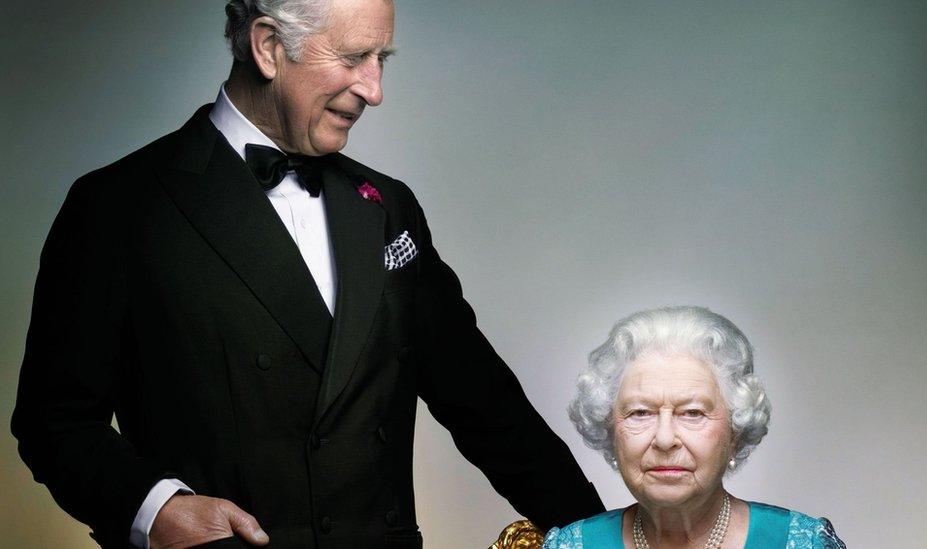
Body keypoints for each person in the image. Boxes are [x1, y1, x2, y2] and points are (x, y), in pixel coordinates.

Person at [10, 1, 604, 547]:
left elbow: (484, 403)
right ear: (268, 46)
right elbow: (54, 422)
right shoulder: (118, 206)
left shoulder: (388, 206)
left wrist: (599, 535)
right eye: (352, 58)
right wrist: (157, 508)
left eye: (382, 59)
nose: (374, 90)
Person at [544, 306, 845, 548]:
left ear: (735, 434)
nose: (664, 439)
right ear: (611, 434)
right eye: (640, 413)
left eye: (692, 413)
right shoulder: (573, 545)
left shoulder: (801, 542)